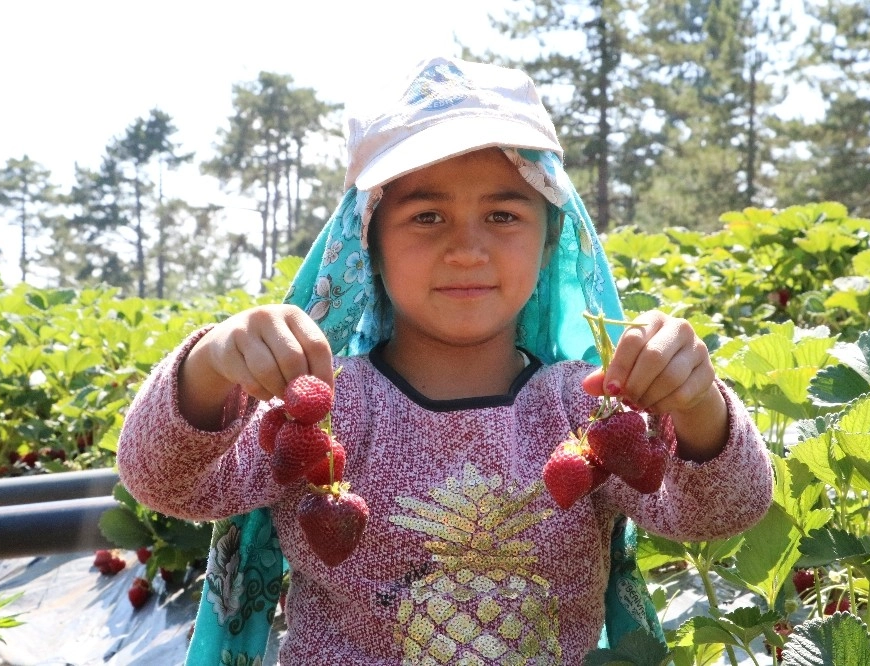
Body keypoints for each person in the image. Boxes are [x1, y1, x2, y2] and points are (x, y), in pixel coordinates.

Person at [117, 55, 773, 665]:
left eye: (504, 215)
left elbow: (719, 512)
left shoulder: (588, 410)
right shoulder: (321, 409)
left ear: (550, 244)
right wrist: (208, 368)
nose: (467, 248)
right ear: (368, 245)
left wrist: (697, 405)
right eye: (427, 216)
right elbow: (168, 483)